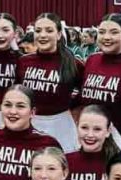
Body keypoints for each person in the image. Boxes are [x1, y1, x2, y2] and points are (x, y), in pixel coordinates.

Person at [17, 13, 83, 151]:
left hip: (62, 125)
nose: (42, 35)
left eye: (49, 30)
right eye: (38, 30)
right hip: (29, 124)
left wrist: (71, 107)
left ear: (59, 34)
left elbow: (85, 92)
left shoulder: (73, 63)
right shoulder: (23, 61)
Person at [76, 14, 121, 140]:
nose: (107, 37)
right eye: (102, 32)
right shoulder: (92, 60)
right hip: (89, 137)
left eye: (114, 32)